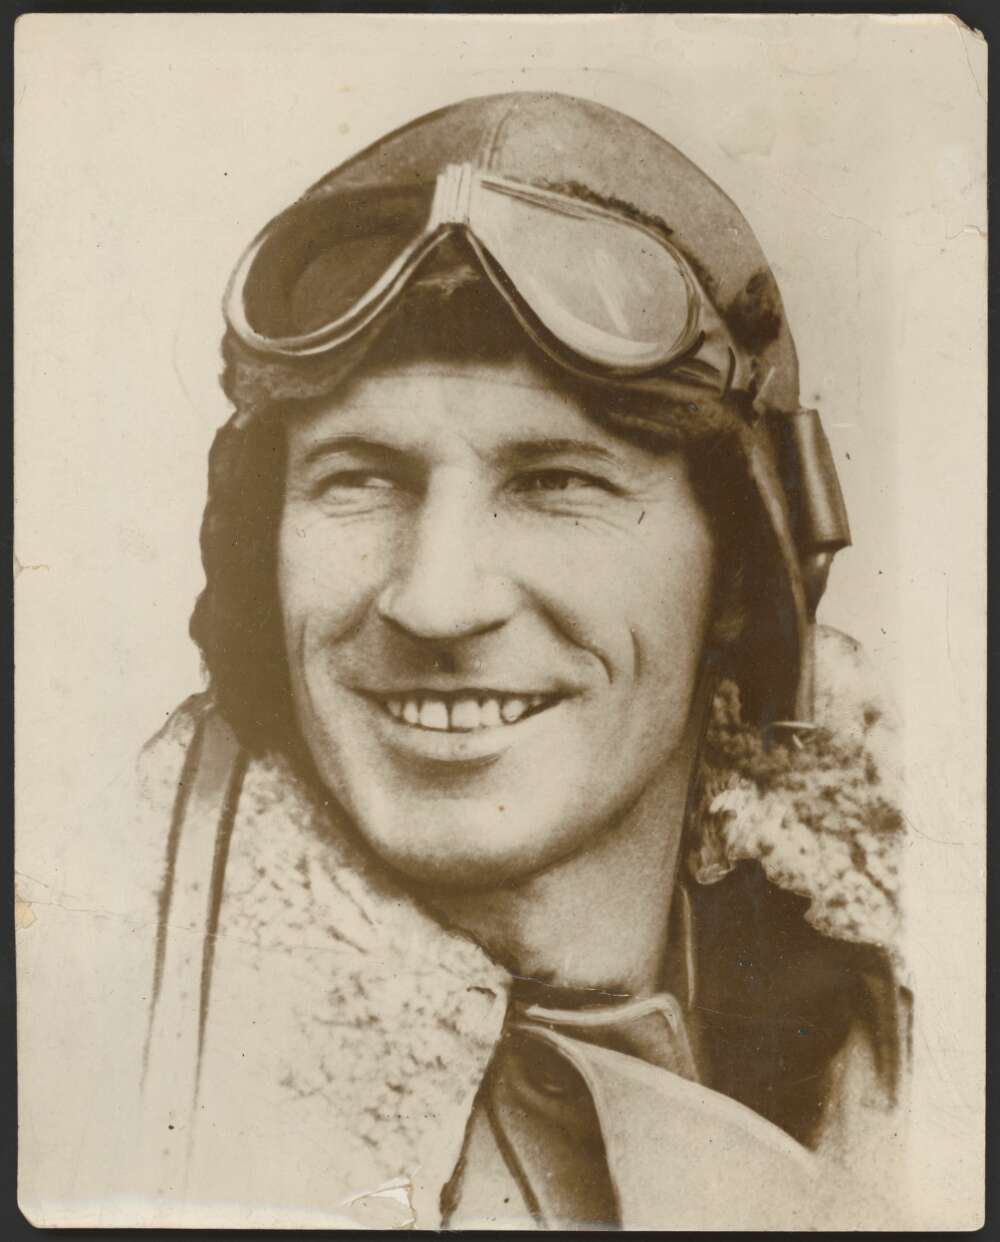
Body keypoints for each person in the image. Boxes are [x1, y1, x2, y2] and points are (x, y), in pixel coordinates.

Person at [130, 92, 908, 1229]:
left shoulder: (919, 1060)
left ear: (739, 576)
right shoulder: (98, 1038)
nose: (437, 600)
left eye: (556, 482)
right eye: (360, 478)